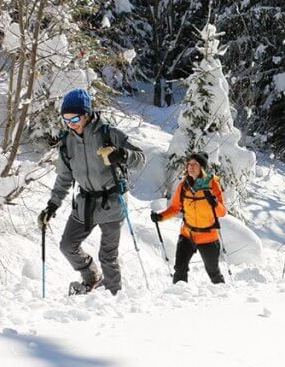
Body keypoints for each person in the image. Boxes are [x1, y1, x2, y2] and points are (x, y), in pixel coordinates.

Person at [38, 88, 146, 294]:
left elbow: (141, 159)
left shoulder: (108, 134)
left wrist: (121, 154)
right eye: (66, 120)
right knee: (68, 245)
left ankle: (114, 296)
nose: (72, 124)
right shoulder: (67, 143)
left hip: (112, 203)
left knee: (108, 256)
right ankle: (92, 278)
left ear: (86, 114)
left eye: (75, 118)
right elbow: (64, 178)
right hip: (85, 204)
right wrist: (52, 206)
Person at [151, 152, 226, 284]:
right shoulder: (184, 185)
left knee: (213, 271)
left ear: (202, 167)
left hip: (208, 237)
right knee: (179, 269)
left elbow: (222, 212)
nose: (190, 167)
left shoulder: (213, 184)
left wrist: (214, 203)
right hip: (187, 235)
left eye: (195, 164)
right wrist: (160, 217)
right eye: (189, 164)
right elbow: (175, 208)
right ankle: (178, 297)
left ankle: (222, 296)